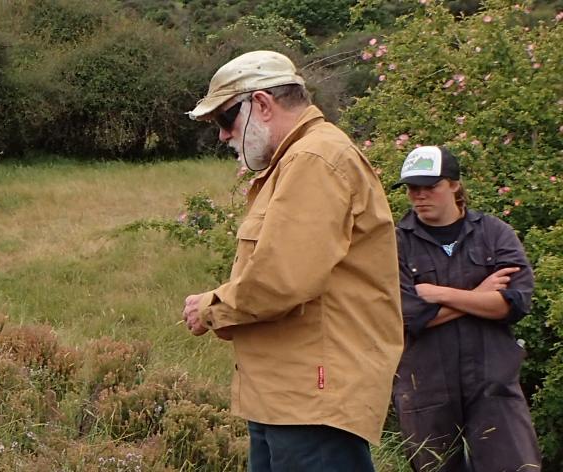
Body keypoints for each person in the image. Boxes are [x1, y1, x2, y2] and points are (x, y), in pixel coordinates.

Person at [181, 50, 404, 471]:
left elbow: (281, 281)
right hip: (287, 396)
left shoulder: (314, 160)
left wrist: (211, 307)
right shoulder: (298, 160)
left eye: (225, 120)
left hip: (311, 398)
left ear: (262, 104)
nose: (223, 136)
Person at [391, 146, 541, 471]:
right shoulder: (394, 244)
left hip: (494, 384)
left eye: (429, 186)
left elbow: (513, 303)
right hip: (424, 389)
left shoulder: (494, 233)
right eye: (412, 188)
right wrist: (479, 296)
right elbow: (406, 316)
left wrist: (438, 294)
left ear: (454, 184)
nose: (419, 196)